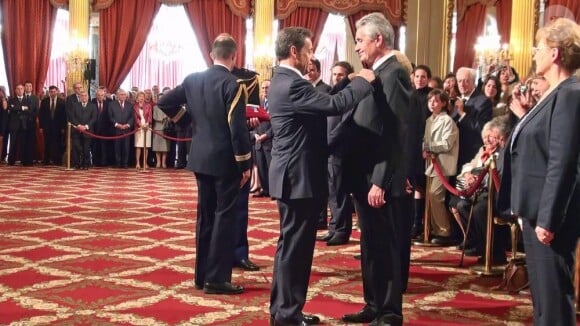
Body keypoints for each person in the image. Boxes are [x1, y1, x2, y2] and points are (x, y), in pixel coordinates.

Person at [268, 27, 375, 326]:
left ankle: (282, 310)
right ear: (294, 52)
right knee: (296, 251)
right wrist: (363, 82)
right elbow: (332, 106)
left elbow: (321, 98)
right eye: (309, 49)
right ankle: (288, 314)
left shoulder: (285, 80)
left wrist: (347, 83)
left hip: (292, 175)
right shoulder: (292, 84)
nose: (311, 55)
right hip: (298, 177)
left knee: (289, 248)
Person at [498, 18, 580, 326]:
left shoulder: (570, 94)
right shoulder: (554, 93)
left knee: (554, 298)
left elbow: (563, 161)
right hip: (535, 210)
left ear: (556, 53)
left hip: (549, 216)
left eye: (539, 47)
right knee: (543, 299)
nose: (534, 53)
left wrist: (548, 218)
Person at [157, 33, 251, 295]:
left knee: (205, 216)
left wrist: (187, 121)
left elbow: (164, 101)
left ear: (211, 54)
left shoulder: (192, 79)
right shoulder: (233, 84)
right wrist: (245, 163)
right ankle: (217, 278)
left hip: (199, 157)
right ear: (234, 56)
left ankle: (201, 275)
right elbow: (237, 129)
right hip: (226, 161)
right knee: (225, 218)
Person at [340, 12, 413, 326]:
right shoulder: (373, 74)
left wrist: (380, 181)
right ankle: (373, 305)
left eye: (360, 40)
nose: (357, 48)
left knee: (384, 245)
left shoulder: (394, 73)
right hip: (364, 176)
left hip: (378, 180)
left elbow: (396, 133)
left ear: (378, 40)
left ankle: (390, 311)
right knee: (370, 245)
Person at [317, 61, 356, 246]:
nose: (336, 78)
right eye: (334, 74)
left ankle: (342, 230)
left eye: (341, 74)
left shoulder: (352, 97)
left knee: (339, 192)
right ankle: (333, 227)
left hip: (339, 150)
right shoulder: (332, 95)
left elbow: (344, 126)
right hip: (327, 149)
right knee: (331, 191)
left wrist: (327, 144)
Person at [423, 89, 459, 245]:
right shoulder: (429, 120)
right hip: (431, 163)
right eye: (430, 100)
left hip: (443, 163)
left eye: (436, 100)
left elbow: (446, 143)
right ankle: (433, 229)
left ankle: (444, 231)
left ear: (443, 103)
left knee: (436, 195)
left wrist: (429, 147)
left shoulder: (447, 121)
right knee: (430, 197)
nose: (432, 103)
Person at [69, 90, 97, 169]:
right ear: (80, 97)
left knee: (86, 148)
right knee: (76, 148)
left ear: (88, 97)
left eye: (85, 96)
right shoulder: (75, 105)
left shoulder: (93, 106)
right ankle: (77, 164)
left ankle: (86, 164)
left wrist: (86, 126)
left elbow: (94, 118)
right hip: (76, 130)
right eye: (82, 96)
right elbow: (72, 117)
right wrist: (78, 125)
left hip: (88, 131)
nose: (84, 97)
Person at [108, 89, 134, 168]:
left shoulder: (129, 105)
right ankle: (118, 163)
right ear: (117, 96)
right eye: (121, 94)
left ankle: (125, 163)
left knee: (126, 147)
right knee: (117, 147)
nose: (123, 96)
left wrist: (128, 125)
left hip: (127, 130)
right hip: (116, 129)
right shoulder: (112, 104)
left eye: (124, 94)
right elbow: (110, 116)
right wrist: (117, 124)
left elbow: (132, 117)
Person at [133, 91, 153, 169]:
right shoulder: (134, 106)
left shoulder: (148, 105)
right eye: (140, 96)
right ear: (137, 98)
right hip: (138, 128)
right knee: (138, 146)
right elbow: (135, 117)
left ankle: (145, 162)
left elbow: (150, 116)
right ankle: (138, 163)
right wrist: (140, 124)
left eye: (142, 96)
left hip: (147, 128)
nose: (141, 98)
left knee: (146, 146)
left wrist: (147, 123)